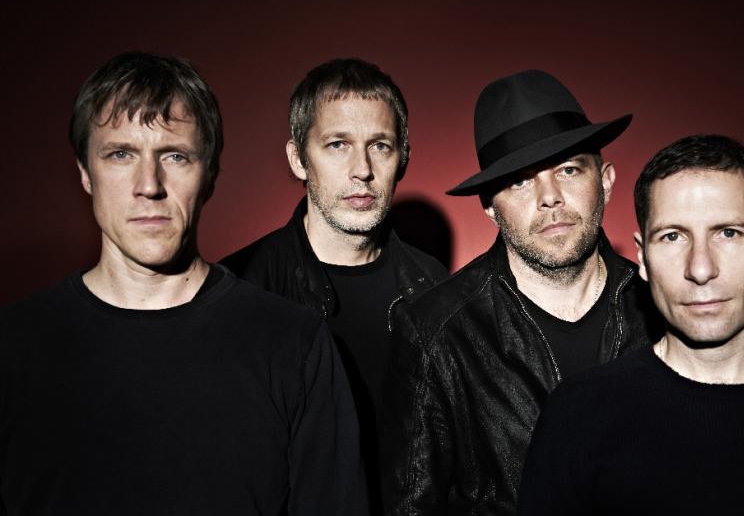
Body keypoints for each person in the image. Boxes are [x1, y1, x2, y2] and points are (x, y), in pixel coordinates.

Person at [0, 52, 366, 515]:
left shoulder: (294, 345)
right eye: (120, 154)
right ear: (85, 173)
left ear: (209, 174)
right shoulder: (13, 348)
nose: (149, 185)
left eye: (175, 156)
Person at [380, 70, 662, 515]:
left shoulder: (662, 307)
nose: (550, 197)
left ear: (605, 180)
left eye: (569, 170)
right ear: (490, 206)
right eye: (520, 181)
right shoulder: (436, 334)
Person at [519, 134, 744, 515]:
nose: (701, 269)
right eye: (672, 237)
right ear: (642, 257)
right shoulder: (578, 416)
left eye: (728, 233)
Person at [221, 58, 448, 513]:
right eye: (338, 144)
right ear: (298, 159)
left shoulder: (437, 287)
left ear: (403, 157)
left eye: (380, 145)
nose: (361, 169)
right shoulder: (240, 288)